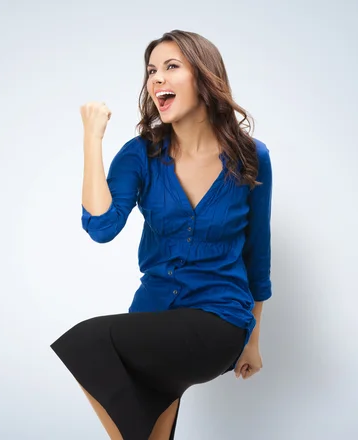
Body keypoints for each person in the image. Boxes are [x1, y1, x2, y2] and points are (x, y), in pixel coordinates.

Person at [50, 29, 272, 440]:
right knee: (153, 429)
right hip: (152, 317)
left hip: (218, 319)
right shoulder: (141, 154)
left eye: (171, 67)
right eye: (152, 71)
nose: (156, 80)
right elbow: (101, 227)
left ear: (205, 77)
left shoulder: (250, 157)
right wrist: (91, 139)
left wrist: (253, 340)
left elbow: (257, 257)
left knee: (86, 341)